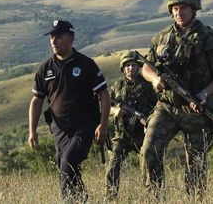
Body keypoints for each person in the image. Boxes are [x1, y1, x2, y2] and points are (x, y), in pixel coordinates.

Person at [139, 0, 213, 199]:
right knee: (148, 152)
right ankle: (155, 198)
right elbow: (146, 67)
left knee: (195, 164)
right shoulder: (161, 37)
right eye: (176, 8)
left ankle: (195, 200)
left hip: (195, 108)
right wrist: (155, 80)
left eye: (184, 8)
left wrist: (204, 95)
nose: (179, 12)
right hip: (167, 106)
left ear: (194, 9)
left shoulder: (209, 38)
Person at [27, 20, 110, 201]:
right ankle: (82, 199)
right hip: (59, 129)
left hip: (84, 125)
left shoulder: (86, 64)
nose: (54, 41)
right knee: (66, 167)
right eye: (52, 37)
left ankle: (67, 201)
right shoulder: (45, 69)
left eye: (59, 37)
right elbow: (36, 100)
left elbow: (104, 94)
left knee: (67, 163)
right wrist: (32, 131)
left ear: (71, 38)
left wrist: (103, 126)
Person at [105, 51, 158, 199]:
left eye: (133, 65)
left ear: (138, 67)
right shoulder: (116, 86)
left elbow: (158, 107)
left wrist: (148, 121)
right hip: (122, 135)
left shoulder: (147, 86)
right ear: (123, 68)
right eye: (127, 65)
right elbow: (105, 106)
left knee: (148, 166)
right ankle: (110, 197)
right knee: (113, 165)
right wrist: (115, 110)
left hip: (142, 135)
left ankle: (153, 197)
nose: (130, 68)